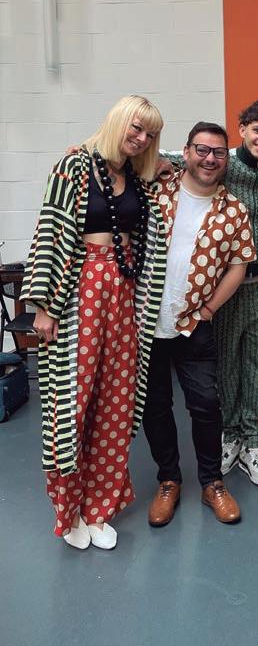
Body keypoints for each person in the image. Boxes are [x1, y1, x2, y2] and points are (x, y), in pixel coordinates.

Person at [21, 95, 168, 550]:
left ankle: (98, 508)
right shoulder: (74, 165)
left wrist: (163, 160)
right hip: (77, 293)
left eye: (149, 134)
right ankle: (69, 512)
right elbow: (49, 230)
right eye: (136, 127)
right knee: (72, 404)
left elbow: (187, 160)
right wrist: (43, 307)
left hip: (123, 295)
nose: (141, 138)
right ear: (118, 121)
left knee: (116, 402)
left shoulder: (137, 178)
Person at [161, 100, 258, 486]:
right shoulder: (220, 162)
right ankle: (230, 434)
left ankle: (255, 440)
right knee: (224, 365)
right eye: (257, 130)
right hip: (221, 286)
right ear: (242, 129)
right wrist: (93, 152)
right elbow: (164, 156)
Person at [143, 122, 256, 527]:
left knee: (206, 404)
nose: (210, 159)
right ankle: (168, 481)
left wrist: (208, 310)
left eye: (219, 152)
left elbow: (239, 265)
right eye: (202, 150)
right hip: (146, 322)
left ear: (227, 159)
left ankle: (212, 483)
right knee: (155, 406)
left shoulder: (234, 210)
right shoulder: (156, 192)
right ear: (187, 152)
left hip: (194, 323)